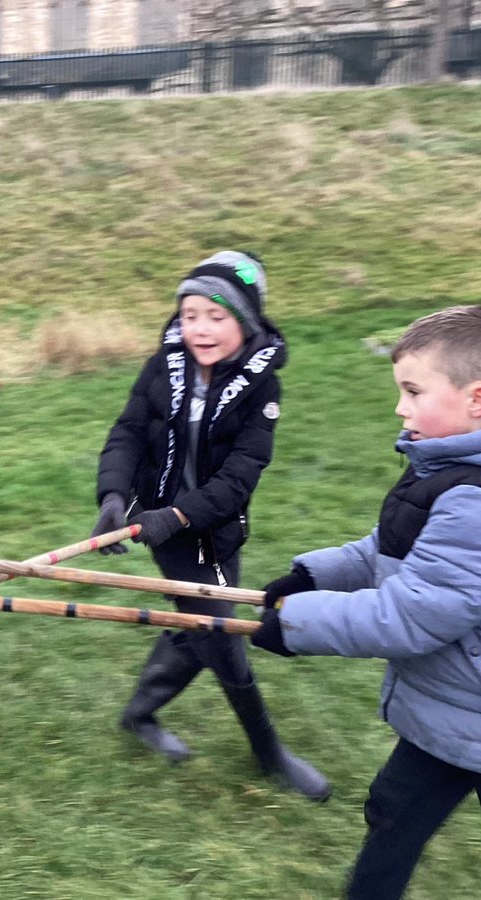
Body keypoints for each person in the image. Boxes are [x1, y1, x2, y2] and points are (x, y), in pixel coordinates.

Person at [252, 305, 481, 899]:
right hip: (460, 704)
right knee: (393, 811)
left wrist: (297, 625)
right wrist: (311, 577)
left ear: (477, 400)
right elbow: (389, 548)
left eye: (412, 391)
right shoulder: (452, 462)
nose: (400, 408)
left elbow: (412, 616)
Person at [91, 250, 330, 800]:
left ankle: (139, 714)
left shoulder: (262, 387)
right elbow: (127, 431)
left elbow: (237, 480)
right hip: (160, 527)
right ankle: (268, 753)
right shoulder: (165, 363)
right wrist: (113, 497)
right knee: (221, 633)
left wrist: (174, 516)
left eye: (216, 316)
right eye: (190, 313)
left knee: (202, 623)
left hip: (213, 528)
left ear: (244, 322)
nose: (199, 328)